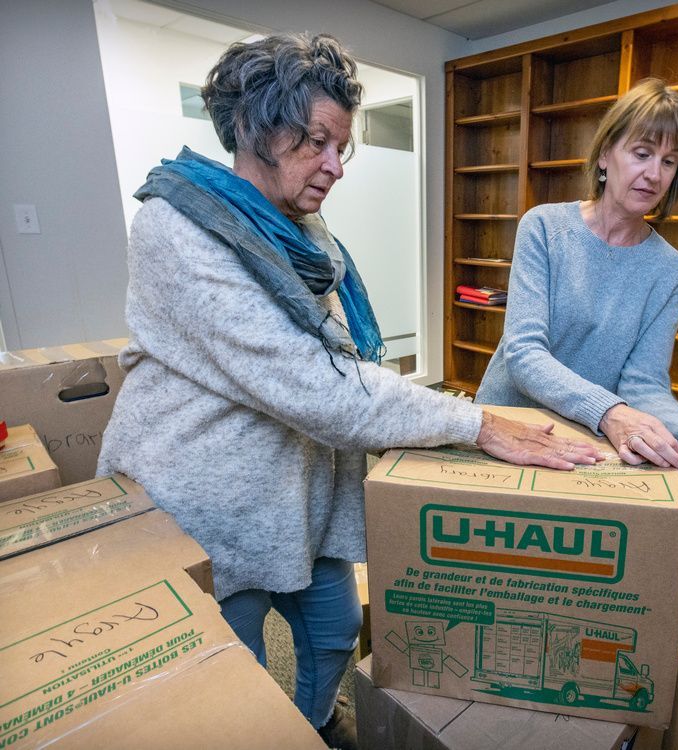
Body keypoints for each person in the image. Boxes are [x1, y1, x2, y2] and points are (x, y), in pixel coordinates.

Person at [96, 33, 601, 750]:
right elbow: (314, 386)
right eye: (316, 142)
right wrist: (474, 421)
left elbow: (341, 364)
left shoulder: (306, 230)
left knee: (334, 631)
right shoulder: (175, 227)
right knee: (220, 684)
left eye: (342, 147)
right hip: (205, 506)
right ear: (252, 129)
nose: (335, 166)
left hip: (298, 491)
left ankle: (312, 727)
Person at [475, 78, 678, 522]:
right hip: (507, 430)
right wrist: (610, 412)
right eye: (642, 153)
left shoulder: (671, 271)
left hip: (584, 446)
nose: (655, 173)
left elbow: (644, 387)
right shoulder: (544, 227)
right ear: (605, 155)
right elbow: (524, 355)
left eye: (670, 161)